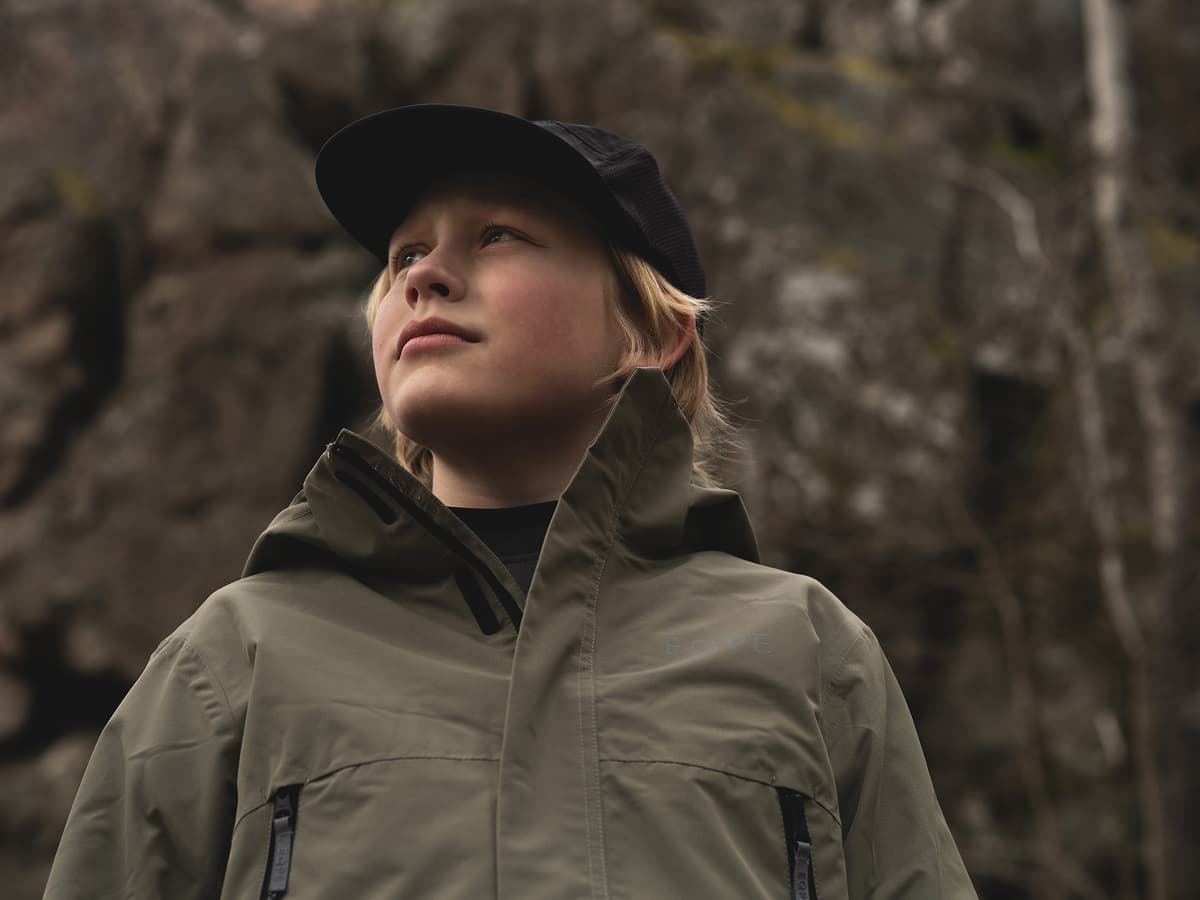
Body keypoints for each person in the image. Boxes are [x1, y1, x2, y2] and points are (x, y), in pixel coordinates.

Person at [43, 104, 978, 900]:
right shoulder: (234, 659)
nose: (424, 275)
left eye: (497, 236)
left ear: (654, 331)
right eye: (406, 254)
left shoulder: (810, 656)